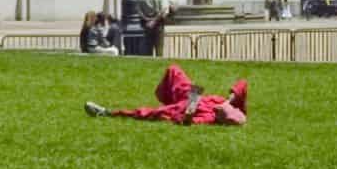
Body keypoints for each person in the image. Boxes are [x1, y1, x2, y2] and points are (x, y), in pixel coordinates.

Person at [85, 63, 250, 126]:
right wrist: (229, 100)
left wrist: (189, 113)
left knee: (148, 113)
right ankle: (167, 99)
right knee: (174, 70)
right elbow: (242, 83)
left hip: (184, 106)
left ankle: (106, 112)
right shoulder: (227, 103)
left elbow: (187, 122)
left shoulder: (209, 118)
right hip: (190, 96)